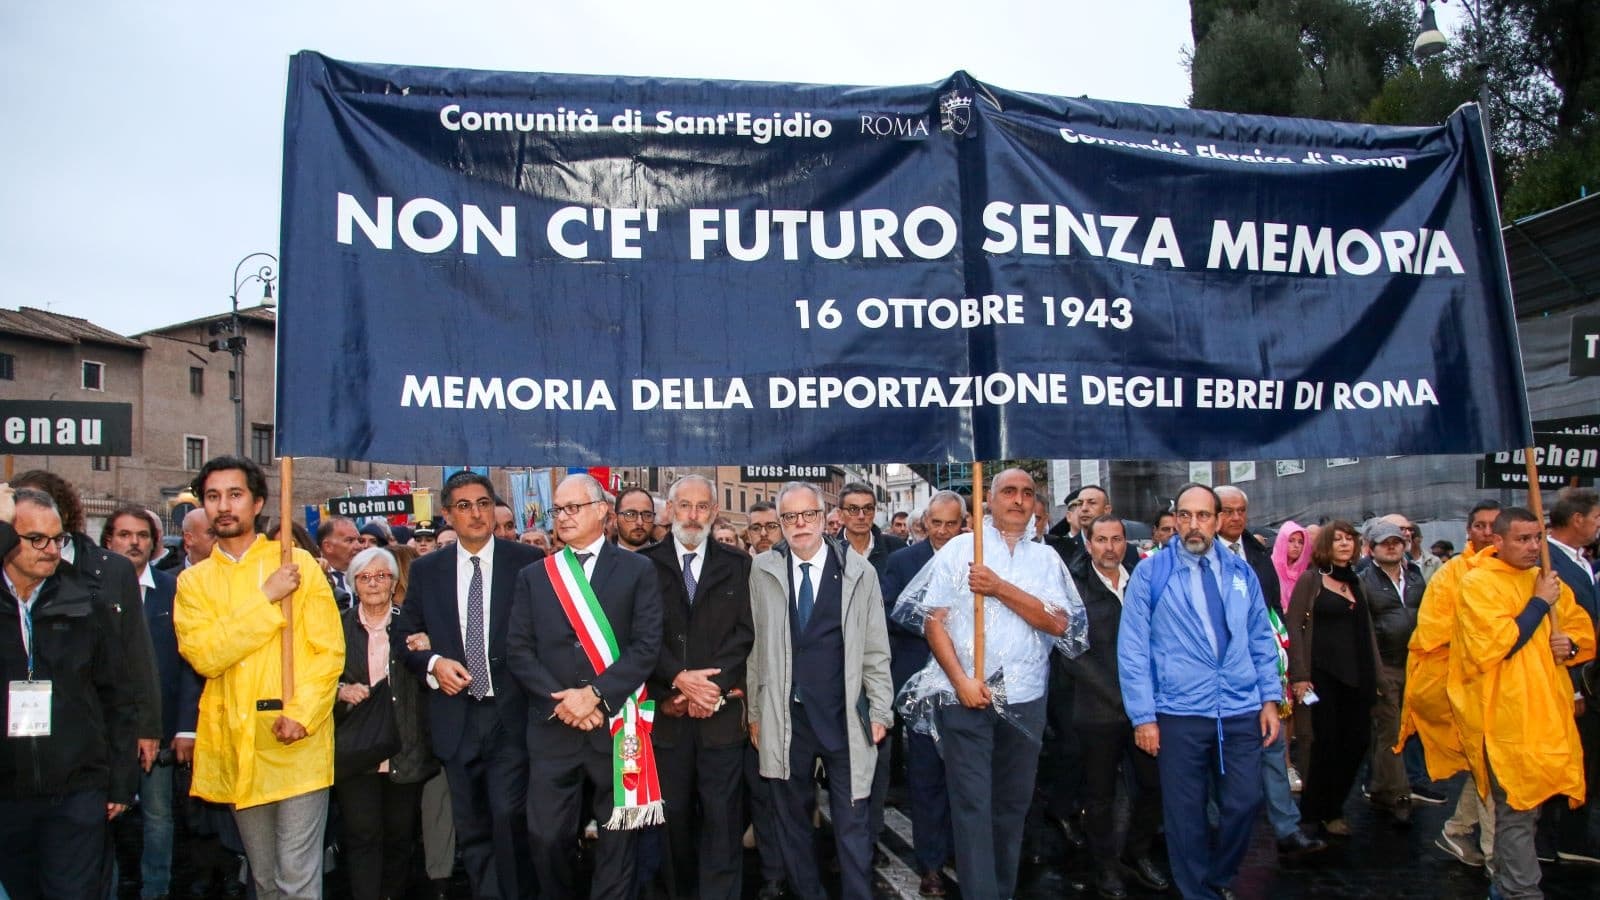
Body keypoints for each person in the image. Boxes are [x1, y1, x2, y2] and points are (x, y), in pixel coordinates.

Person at [906, 468, 1084, 900]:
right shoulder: (962, 550)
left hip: (1025, 698)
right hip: (964, 695)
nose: (1019, 500)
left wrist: (1000, 588)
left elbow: (1062, 624)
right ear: (989, 499)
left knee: (1012, 806)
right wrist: (962, 680)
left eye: (1027, 492)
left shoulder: (1046, 560)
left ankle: (1000, 891)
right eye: (1008, 491)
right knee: (971, 807)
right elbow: (935, 622)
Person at [174, 455, 345, 900]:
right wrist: (266, 599)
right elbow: (207, 655)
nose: (223, 505)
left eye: (235, 494)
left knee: (298, 879)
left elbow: (328, 653)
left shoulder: (297, 566)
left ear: (258, 502)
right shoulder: (193, 584)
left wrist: (303, 715)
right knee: (265, 880)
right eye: (213, 496)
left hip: (296, 743)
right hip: (238, 742)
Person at [1118, 483, 1284, 900]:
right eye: (1185, 516)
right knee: (1185, 817)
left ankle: (1220, 876)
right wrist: (1144, 717)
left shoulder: (1240, 571)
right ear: (1175, 518)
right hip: (1178, 713)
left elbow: (1262, 638)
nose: (1193, 525)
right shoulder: (1151, 573)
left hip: (1240, 708)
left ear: (1218, 520)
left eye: (1203, 516)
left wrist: (1269, 699)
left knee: (1245, 802)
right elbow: (1133, 649)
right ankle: (1197, 893)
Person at [507, 472, 662, 899]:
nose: (564, 516)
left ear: (601, 512)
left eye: (574, 507)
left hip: (614, 726)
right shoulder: (535, 575)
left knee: (618, 839)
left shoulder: (637, 569)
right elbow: (519, 650)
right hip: (554, 726)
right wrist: (565, 702)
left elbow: (646, 647)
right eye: (559, 509)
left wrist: (594, 695)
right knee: (546, 837)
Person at [392, 470, 544, 900]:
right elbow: (405, 636)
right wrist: (434, 662)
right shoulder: (427, 570)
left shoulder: (527, 562)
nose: (476, 514)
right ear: (447, 515)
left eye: (483, 503)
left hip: (511, 713)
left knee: (509, 817)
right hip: (456, 717)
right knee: (473, 826)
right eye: (464, 506)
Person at [747, 481, 892, 900]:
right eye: (789, 518)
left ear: (823, 516)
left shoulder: (858, 571)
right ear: (780, 523)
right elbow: (755, 648)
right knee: (791, 820)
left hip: (845, 715)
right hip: (786, 717)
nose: (799, 525)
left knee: (852, 820)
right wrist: (755, 713)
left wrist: (880, 710)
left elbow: (876, 647)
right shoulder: (763, 569)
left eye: (807, 515)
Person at [0, 486, 140, 900]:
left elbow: (117, 695)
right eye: (34, 539)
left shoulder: (84, 600)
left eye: (57, 538)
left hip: (77, 790)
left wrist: (119, 782)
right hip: (7, 791)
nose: (49, 550)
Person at [1452, 506, 1595, 899]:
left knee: (1531, 808)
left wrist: (1570, 643)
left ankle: (1505, 885)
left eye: (1536, 538)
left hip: (1546, 711)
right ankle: (1522, 891)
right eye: (1522, 539)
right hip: (1502, 713)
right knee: (1515, 805)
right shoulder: (1478, 583)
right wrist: (1537, 604)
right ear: (1497, 541)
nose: (1533, 547)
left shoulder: (1544, 579)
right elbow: (1494, 646)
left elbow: (1581, 631)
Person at [642, 475, 754, 900]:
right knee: (672, 824)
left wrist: (712, 689)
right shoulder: (643, 564)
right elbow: (639, 637)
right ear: (669, 510)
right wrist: (678, 680)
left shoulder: (739, 564)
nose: (692, 515)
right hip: (666, 716)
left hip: (719, 716)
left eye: (702, 507)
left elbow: (745, 633)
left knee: (723, 823)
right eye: (684, 506)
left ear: (714, 512)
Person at [103, 505, 204, 900]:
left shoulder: (173, 589)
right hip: (105, 731)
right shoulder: (90, 587)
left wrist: (184, 726)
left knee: (159, 817)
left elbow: (188, 663)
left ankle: (156, 889)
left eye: (142, 535)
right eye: (125, 534)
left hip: (159, 727)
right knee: (100, 818)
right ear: (109, 540)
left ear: (155, 542)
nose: (134, 542)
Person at [1066, 514, 1169, 899]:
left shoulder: (1142, 581)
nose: (1110, 547)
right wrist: (1123, 698)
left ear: (1126, 542)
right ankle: (1105, 866)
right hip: (1098, 710)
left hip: (1146, 709)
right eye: (1102, 540)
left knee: (1153, 785)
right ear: (1088, 544)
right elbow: (1072, 653)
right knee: (1100, 795)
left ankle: (1136, 853)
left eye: (1117, 539)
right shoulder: (1074, 588)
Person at [1398, 500, 1501, 870]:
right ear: (1469, 531)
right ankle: (1496, 858)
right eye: (1480, 526)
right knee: (1488, 764)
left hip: (1510, 690)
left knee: (1490, 767)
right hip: (1468, 686)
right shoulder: (1451, 574)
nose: (1488, 533)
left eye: (1494, 526)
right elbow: (1430, 633)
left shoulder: (1523, 573)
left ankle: (1457, 829)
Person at [334, 547, 438, 900]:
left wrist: (428, 652)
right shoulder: (337, 626)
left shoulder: (411, 625)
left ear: (394, 582)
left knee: (398, 836)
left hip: (404, 746)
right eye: (365, 577)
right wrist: (340, 690)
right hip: (357, 750)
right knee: (362, 835)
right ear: (353, 583)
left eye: (382, 576)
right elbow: (315, 678)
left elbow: (434, 682)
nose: (374, 583)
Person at [879, 490, 965, 896]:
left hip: (967, 687)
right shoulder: (902, 562)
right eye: (938, 523)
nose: (944, 532)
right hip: (918, 686)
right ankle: (930, 863)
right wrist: (939, 627)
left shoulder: (976, 559)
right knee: (927, 777)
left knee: (965, 778)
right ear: (924, 524)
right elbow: (891, 611)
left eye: (952, 524)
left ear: (962, 524)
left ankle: (958, 852)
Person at [1286, 521, 1381, 837]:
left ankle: (1335, 802)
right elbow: (1294, 627)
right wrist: (1299, 676)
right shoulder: (1311, 581)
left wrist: (1376, 677)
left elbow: (1366, 632)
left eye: (1349, 539)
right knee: (1324, 746)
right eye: (1337, 539)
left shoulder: (1357, 581)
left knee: (1357, 744)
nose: (1344, 544)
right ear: (1326, 545)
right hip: (1322, 679)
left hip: (1358, 679)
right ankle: (1321, 811)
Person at [1537, 488, 1600, 864]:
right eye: (1595, 519)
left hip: (1586, 675)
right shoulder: (1549, 562)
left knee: (1584, 758)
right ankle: (1555, 836)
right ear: (1577, 520)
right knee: (1567, 757)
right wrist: (1575, 685)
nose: (1597, 526)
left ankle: (1570, 834)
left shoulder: (1581, 561)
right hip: (1569, 678)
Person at [1357, 519, 1427, 827]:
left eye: (1397, 541)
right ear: (1371, 548)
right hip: (1383, 664)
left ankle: (1380, 786)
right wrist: (1374, 670)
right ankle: (1400, 792)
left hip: (1413, 663)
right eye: (1385, 542)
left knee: (1399, 729)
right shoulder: (1363, 581)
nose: (1392, 546)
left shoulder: (1415, 576)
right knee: (1390, 727)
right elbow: (1364, 629)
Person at [318, 517, 363, 608]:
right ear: (328, 546)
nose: (359, 546)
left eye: (359, 540)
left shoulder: (366, 574)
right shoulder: (314, 575)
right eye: (350, 540)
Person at [1271, 521, 1311, 613]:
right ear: (1282, 541)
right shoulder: (1269, 568)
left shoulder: (1305, 572)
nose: (1296, 546)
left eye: (1300, 542)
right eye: (1291, 540)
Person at [615, 487, 658, 553]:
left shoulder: (668, 559)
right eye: (631, 514)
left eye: (647, 515)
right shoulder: (600, 558)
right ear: (615, 519)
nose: (640, 522)